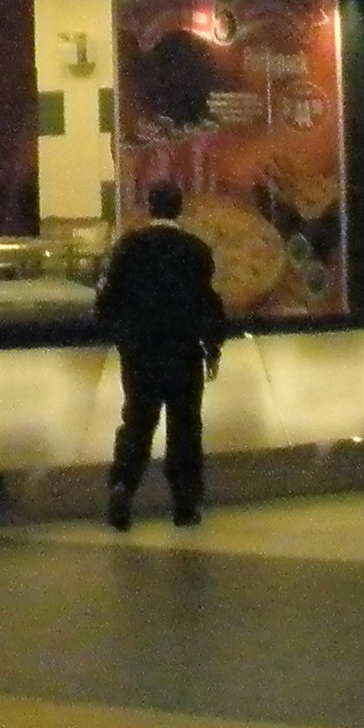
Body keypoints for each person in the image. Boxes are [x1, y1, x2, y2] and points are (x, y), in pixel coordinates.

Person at [97, 181, 226, 532]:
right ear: (179, 208)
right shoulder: (196, 250)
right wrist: (213, 346)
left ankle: (123, 487)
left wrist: (116, 334)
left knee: (137, 422)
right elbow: (208, 304)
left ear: (150, 207)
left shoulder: (130, 247)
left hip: (140, 353)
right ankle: (185, 504)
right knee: (185, 427)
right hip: (183, 352)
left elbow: (108, 301)